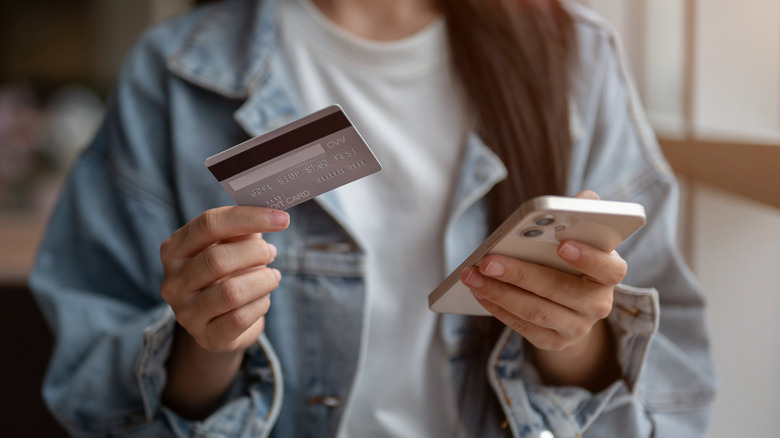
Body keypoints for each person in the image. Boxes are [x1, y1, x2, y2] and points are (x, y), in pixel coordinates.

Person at [29, 0, 716, 436]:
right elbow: (92, 390)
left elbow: (674, 389)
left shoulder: (575, 58)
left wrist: (571, 337)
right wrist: (206, 343)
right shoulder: (175, 72)